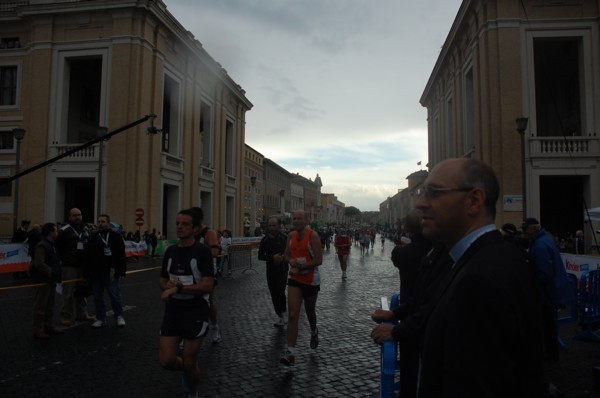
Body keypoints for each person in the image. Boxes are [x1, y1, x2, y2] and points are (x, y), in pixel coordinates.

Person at [412, 158, 543, 397]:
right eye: (422, 192)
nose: (420, 203)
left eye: (433, 193)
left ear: (474, 201)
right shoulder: (495, 258)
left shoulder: (479, 281)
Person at [159, 209, 215, 398]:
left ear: (195, 228)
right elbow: (162, 278)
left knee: (191, 362)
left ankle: (193, 392)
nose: (180, 227)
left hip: (195, 311)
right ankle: (189, 371)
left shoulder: (202, 252)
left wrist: (181, 289)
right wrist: (166, 285)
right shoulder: (170, 251)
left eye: (185, 224)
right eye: (178, 224)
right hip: (173, 311)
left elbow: (208, 285)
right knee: (166, 361)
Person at [522, 217, 573, 362]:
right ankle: (551, 352)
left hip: (545, 292)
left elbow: (545, 272)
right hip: (549, 289)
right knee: (548, 322)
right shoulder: (544, 240)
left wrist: (531, 283)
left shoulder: (539, 245)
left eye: (525, 229)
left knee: (546, 323)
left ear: (533, 229)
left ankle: (550, 353)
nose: (524, 232)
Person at [280, 210, 323, 366]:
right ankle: (291, 353)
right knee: (293, 314)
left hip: (311, 279)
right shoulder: (290, 236)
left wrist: (303, 266)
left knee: (310, 310)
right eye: (294, 218)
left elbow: (319, 260)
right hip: (295, 278)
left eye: (299, 218)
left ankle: (314, 331)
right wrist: (290, 261)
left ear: (306, 220)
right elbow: (286, 255)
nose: (296, 221)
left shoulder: (313, 236)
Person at [85, 214, 127, 328]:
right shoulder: (93, 237)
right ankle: (100, 318)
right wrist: (88, 272)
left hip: (111, 272)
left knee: (115, 295)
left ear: (108, 223)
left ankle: (119, 316)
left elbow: (121, 255)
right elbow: (88, 255)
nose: (100, 223)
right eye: (99, 221)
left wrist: (121, 270)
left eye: (103, 221)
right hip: (96, 272)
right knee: (97, 297)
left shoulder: (116, 236)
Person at [56, 208, 94, 326]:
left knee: (82, 290)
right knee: (68, 292)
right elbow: (57, 248)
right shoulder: (64, 231)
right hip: (69, 266)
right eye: (75, 215)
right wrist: (62, 261)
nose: (77, 217)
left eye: (79, 214)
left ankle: (82, 314)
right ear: (69, 217)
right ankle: (65, 316)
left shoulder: (85, 229)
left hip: (83, 265)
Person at [189, 207, 222, 344]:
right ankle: (187, 332)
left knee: (207, 301)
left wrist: (198, 251)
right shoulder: (190, 232)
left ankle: (214, 327)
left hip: (207, 271)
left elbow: (214, 253)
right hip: (191, 270)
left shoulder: (209, 233)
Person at [31, 223, 63, 339]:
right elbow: (39, 263)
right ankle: (38, 329)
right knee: (40, 306)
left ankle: (48, 325)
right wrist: (52, 273)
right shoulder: (42, 245)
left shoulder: (52, 244)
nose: (57, 232)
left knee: (50, 305)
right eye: (56, 231)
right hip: (43, 280)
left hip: (51, 280)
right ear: (50, 232)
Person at [258, 217, 289, 327]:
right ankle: (279, 315)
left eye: (274, 225)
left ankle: (284, 312)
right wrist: (272, 258)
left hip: (282, 270)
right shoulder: (264, 240)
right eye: (270, 226)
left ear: (279, 226)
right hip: (270, 271)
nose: (272, 228)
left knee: (280, 291)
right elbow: (260, 256)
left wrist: (282, 257)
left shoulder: (284, 238)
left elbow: (290, 253)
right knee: (273, 294)